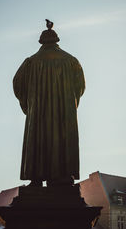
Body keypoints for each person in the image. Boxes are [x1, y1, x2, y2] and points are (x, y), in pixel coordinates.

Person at [13, 20, 85, 186]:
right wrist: (70, 104)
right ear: (56, 40)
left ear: (41, 42)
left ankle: (36, 178)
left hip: (38, 114)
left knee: (38, 138)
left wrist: (29, 105)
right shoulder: (71, 61)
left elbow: (17, 84)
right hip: (64, 115)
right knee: (62, 139)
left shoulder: (31, 62)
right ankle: (63, 177)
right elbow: (80, 86)